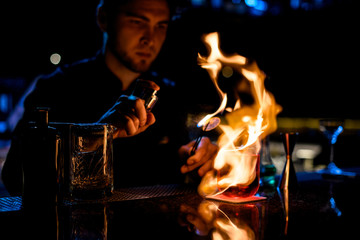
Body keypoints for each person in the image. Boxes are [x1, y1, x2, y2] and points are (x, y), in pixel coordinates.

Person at [2, 0, 218, 195]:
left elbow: (180, 165)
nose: (149, 39)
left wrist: (196, 158)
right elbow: (15, 178)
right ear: (104, 18)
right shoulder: (56, 88)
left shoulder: (170, 96)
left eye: (161, 25)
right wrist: (99, 133)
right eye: (137, 22)